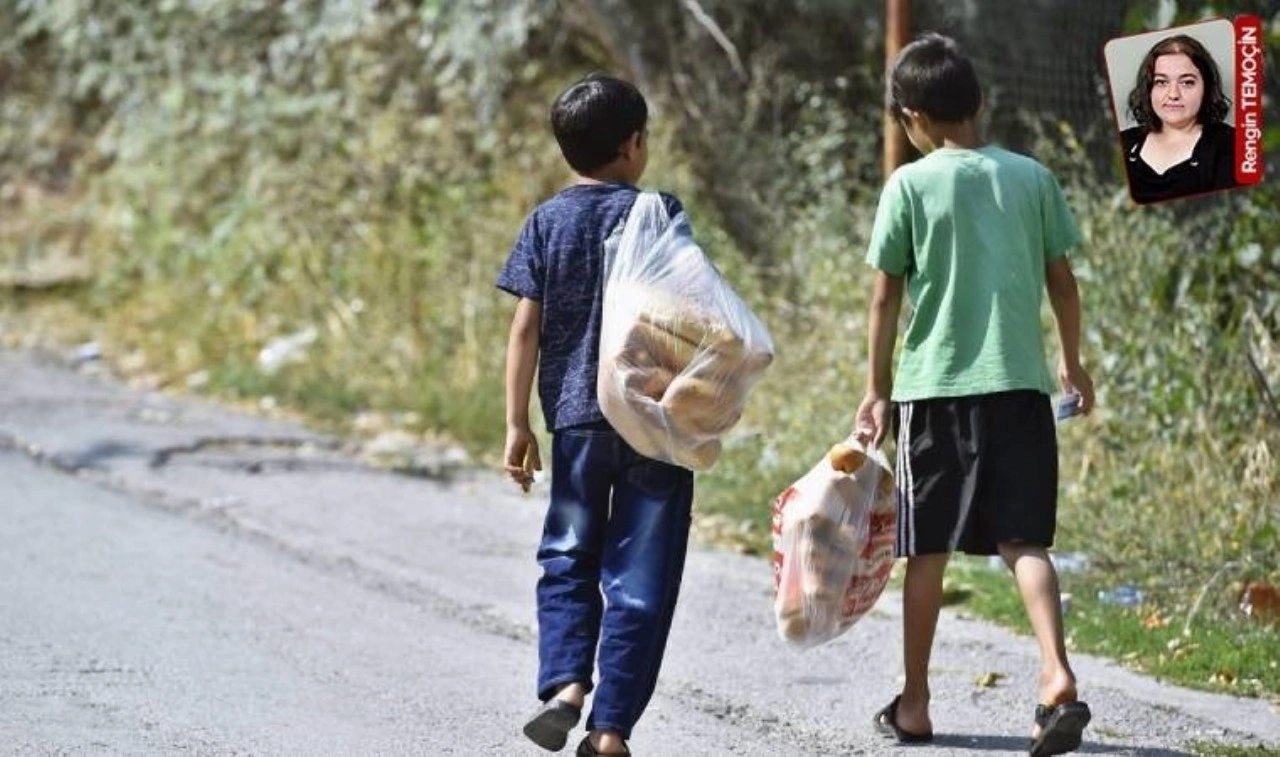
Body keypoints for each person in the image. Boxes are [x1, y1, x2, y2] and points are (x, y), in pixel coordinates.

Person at [854, 33, 1097, 757]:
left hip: (935, 392)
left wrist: (875, 388)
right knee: (1024, 540)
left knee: (925, 549)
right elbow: (1063, 283)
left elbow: (883, 300)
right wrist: (1073, 363)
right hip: (1020, 385)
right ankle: (1056, 674)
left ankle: (917, 700)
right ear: (981, 104)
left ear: (910, 117)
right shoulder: (1031, 177)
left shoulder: (909, 184)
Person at [496, 73, 693, 757]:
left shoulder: (547, 221)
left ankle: (565, 687)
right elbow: (691, 315)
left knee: (568, 557)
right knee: (643, 576)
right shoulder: (657, 213)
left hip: (577, 420)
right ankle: (610, 730)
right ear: (634, 144)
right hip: (652, 421)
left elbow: (526, 329)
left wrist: (518, 422)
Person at [1119, 33, 1236, 204]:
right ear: (1149, 89)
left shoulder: (1232, 145)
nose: (1173, 94)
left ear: (1207, 87)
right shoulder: (1123, 142)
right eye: (1161, 82)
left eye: (1187, 82)